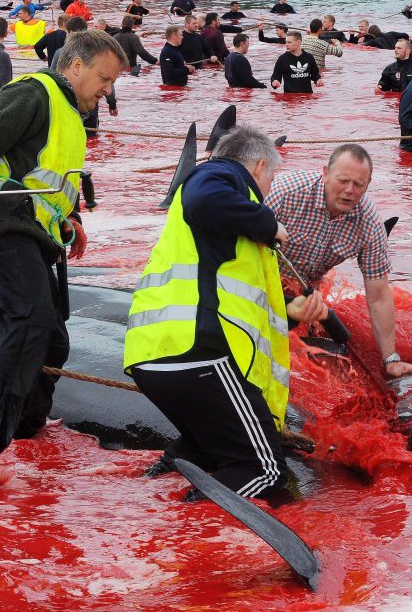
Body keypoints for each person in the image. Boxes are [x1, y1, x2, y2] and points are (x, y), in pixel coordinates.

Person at [0, 30, 128, 490]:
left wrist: (71, 218)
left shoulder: (72, 115)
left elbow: (52, 179)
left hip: (37, 234)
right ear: (74, 66)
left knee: (53, 341)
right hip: (2, 226)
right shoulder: (33, 93)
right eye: (103, 78)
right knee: (29, 322)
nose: (107, 90)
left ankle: (22, 428)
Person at [124, 125, 324, 501]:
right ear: (261, 166)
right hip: (199, 353)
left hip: (156, 355)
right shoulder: (221, 174)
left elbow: (230, 293)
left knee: (204, 453)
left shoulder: (226, 223)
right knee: (265, 472)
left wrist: (292, 313)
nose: (269, 190)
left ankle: (155, 509)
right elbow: (204, 198)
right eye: (271, 179)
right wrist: (268, 224)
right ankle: (188, 537)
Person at [267, 145, 412, 378]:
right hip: (262, 277)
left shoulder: (369, 224)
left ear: (368, 184)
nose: (349, 191)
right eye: (343, 180)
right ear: (325, 173)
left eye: (358, 185)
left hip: (307, 290)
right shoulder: (284, 193)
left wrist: (391, 359)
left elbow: (378, 296)